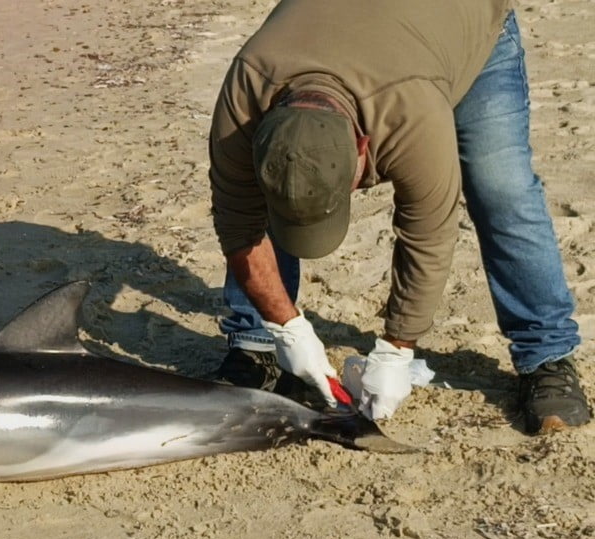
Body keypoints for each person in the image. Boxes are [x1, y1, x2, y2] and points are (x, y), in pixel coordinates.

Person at [206, 0, 591, 433]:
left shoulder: (412, 115)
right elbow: (238, 225)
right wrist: (284, 327)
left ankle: (547, 354)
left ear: (363, 147)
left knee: (501, 189)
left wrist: (396, 349)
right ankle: (255, 344)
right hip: (356, 37)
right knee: (282, 187)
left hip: (463, 27)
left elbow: (428, 233)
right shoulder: (245, 96)